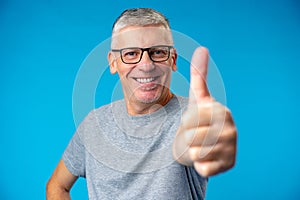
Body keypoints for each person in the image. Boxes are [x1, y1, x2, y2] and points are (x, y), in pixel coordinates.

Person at [46, 8, 237, 200]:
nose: (146, 65)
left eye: (158, 52)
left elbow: (195, 144)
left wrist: (212, 139)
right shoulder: (94, 123)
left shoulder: (191, 117)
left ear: (173, 59)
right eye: (131, 53)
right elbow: (57, 186)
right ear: (113, 62)